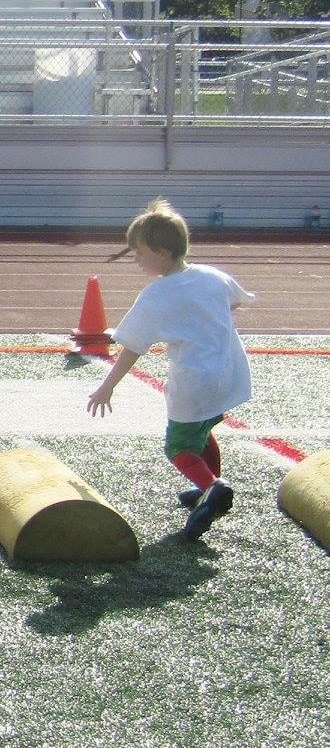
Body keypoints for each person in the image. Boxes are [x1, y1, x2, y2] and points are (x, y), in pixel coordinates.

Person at [86, 198, 255, 540]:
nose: (135, 259)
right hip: (229, 371)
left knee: (178, 447)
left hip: (193, 380)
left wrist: (108, 386)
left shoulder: (156, 294)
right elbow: (236, 301)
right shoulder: (213, 275)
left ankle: (211, 486)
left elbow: (132, 345)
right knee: (203, 430)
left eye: (139, 252)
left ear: (161, 252)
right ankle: (208, 487)